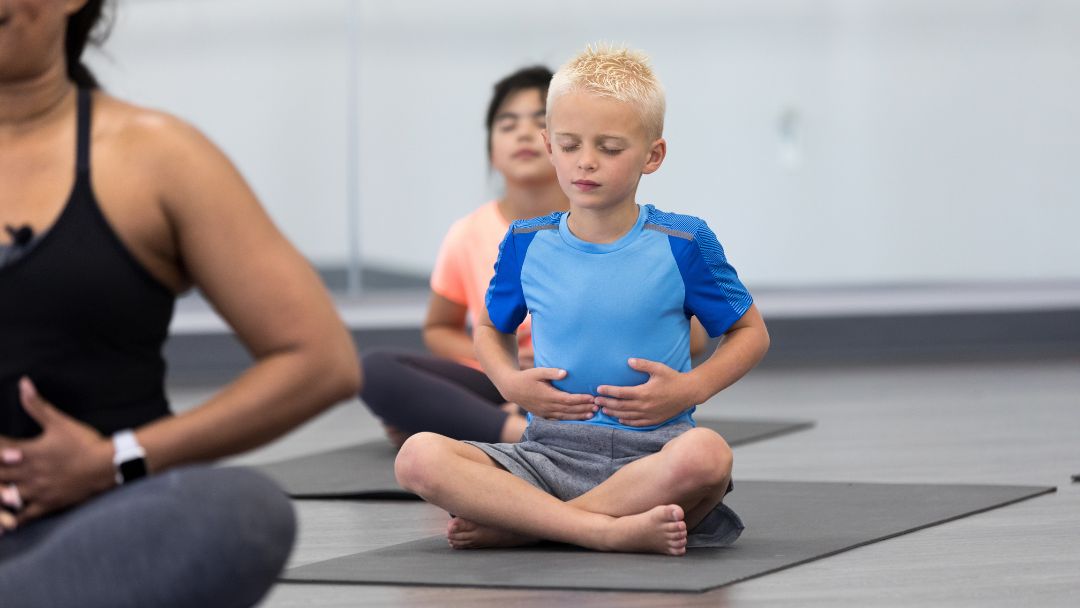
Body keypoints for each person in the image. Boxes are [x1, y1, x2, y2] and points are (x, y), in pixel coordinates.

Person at [0, 1, 361, 606]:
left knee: (241, 511)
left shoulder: (156, 156)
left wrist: (112, 459)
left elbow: (320, 361)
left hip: (97, 527)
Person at [394, 44, 770, 556]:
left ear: (652, 156)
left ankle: (533, 525)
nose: (585, 162)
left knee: (708, 456)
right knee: (417, 456)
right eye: (569, 145)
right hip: (547, 456)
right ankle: (601, 529)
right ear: (550, 147)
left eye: (610, 148)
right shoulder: (525, 241)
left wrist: (689, 390)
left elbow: (751, 333)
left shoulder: (684, 240)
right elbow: (487, 328)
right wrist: (510, 383)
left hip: (656, 458)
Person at [360, 66, 568, 446]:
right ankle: (516, 431)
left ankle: (468, 423)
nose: (522, 133)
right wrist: (506, 366)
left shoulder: (600, 224)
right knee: (375, 370)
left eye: (539, 122)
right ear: (491, 150)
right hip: (500, 378)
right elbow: (439, 329)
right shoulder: (467, 234)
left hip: (575, 379)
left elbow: (688, 334)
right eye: (507, 125)